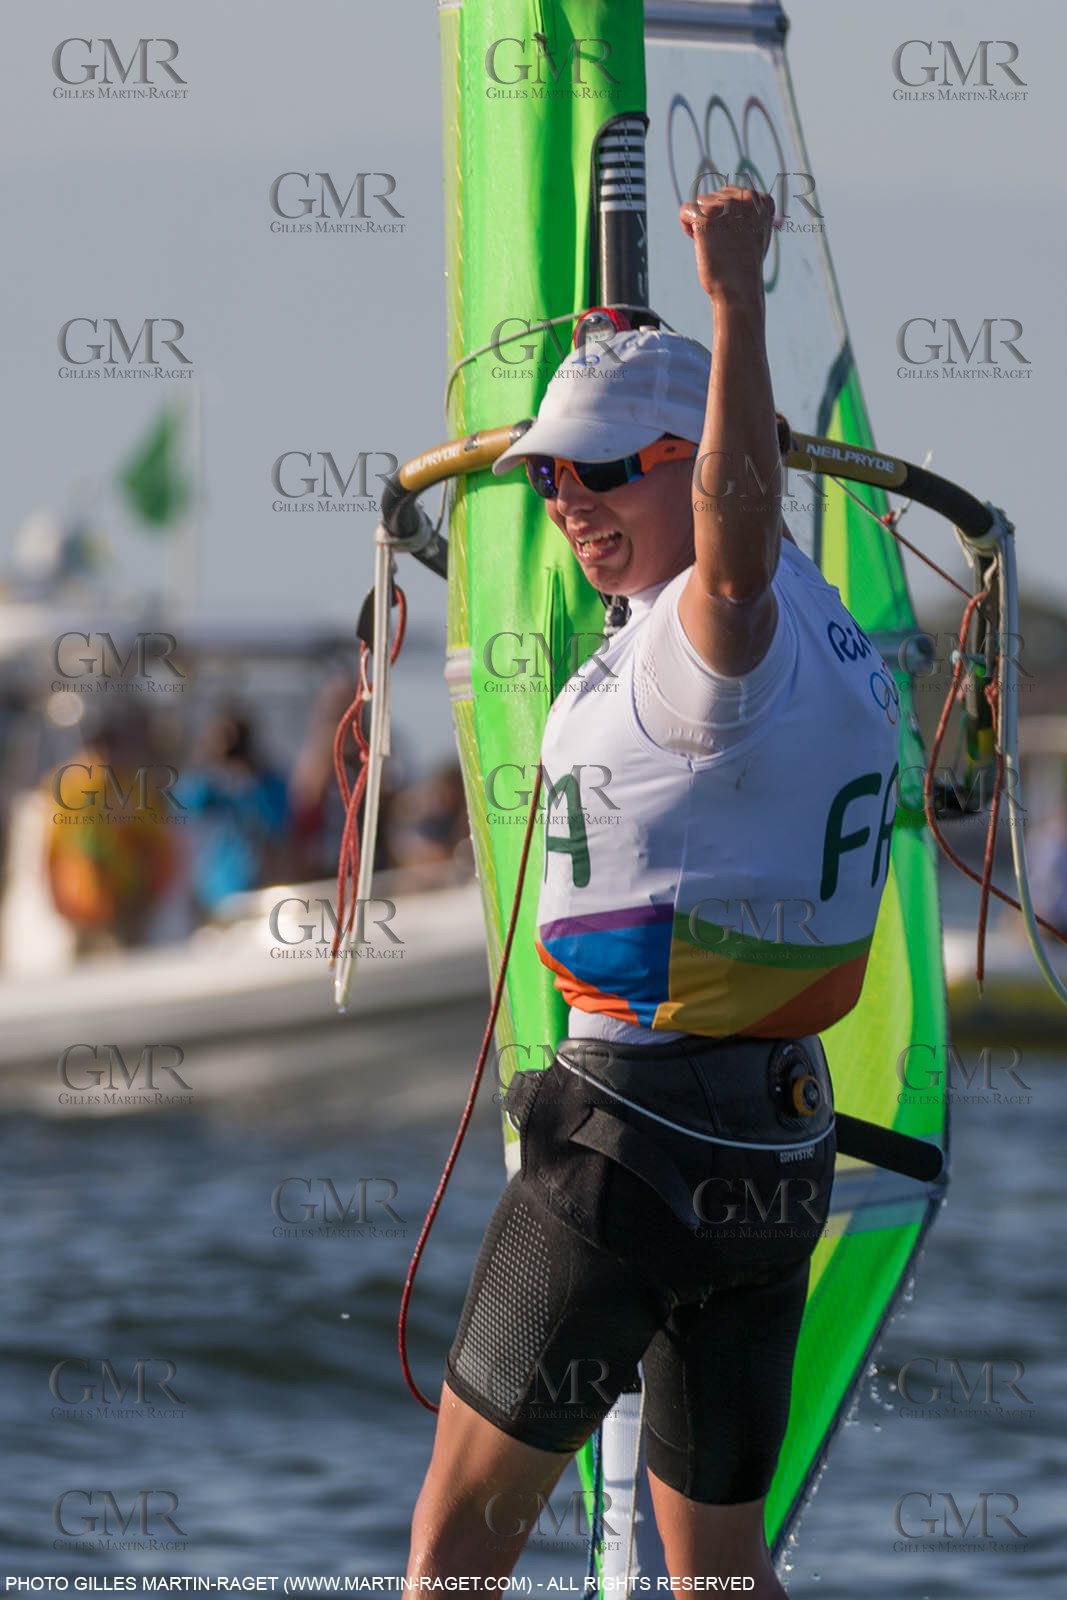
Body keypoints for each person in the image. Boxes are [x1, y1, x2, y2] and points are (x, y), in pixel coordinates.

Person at [407, 190, 900, 1595]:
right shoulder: (833, 628)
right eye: (549, 479)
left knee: (451, 1553)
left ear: (698, 465)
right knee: (723, 1574)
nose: (567, 503)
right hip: (773, 1152)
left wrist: (734, 296)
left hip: (630, 1149)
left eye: (606, 472)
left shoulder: (716, 638)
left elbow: (730, 542)